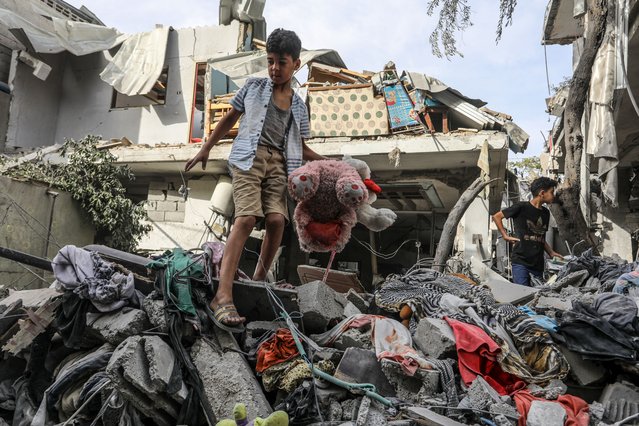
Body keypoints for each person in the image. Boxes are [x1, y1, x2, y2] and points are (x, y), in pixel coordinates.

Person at [185, 29, 325, 331]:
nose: (274, 68)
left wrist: (327, 163)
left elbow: (300, 146)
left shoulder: (300, 107)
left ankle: (259, 281)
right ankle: (222, 295)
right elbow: (229, 118)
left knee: (277, 221)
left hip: (278, 164)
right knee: (247, 218)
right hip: (249, 159)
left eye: (282, 63)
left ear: (296, 64)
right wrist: (206, 147)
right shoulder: (253, 87)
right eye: (270, 61)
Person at [492, 177, 564, 286]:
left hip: (537, 264)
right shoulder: (521, 207)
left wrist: (551, 252)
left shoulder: (545, 213)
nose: (553, 195)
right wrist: (505, 235)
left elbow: (540, 237)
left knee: (536, 295)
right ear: (542, 193)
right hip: (521, 262)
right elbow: (497, 217)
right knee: (523, 294)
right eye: (551, 192)